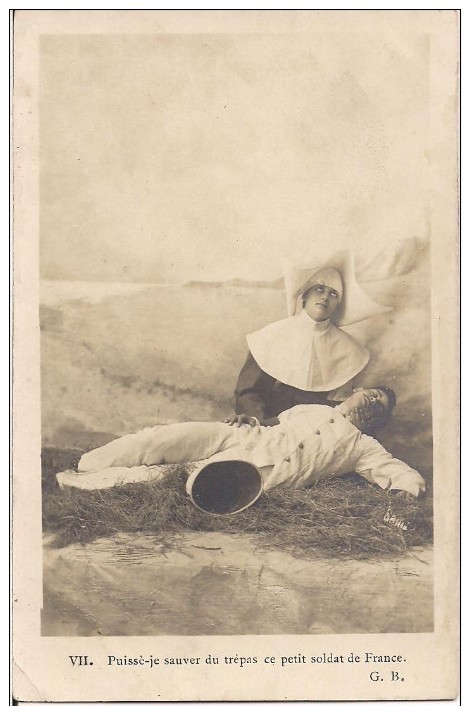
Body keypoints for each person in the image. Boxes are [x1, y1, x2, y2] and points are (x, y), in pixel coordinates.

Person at [57, 387, 425, 501]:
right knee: (160, 438)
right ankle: (90, 462)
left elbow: (401, 473)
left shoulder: (362, 446)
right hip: (240, 436)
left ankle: (79, 482)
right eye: (372, 395)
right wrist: (251, 420)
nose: (372, 404)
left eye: (379, 407)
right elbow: (274, 423)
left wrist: (406, 494)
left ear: (376, 421)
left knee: (168, 476)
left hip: (257, 471)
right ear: (353, 391)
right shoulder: (311, 408)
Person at [232, 250, 391, 427]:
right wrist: (261, 422)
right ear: (305, 296)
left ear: (338, 304)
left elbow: (340, 407)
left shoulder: (349, 351)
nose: (325, 297)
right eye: (319, 288)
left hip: (316, 430)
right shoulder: (271, 335)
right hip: (268, 424)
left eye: (333, 294)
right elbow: (248, 392)